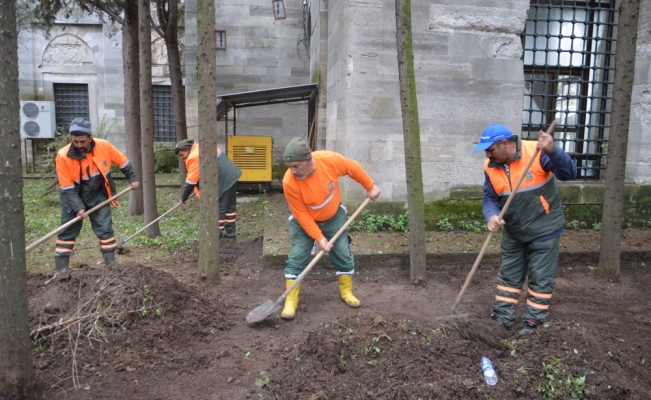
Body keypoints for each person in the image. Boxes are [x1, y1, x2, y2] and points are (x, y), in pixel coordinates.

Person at [474, 123, 576, 334]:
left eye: (490, 149)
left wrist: (552, 150)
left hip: (544, 230)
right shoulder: (490, 166)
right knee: (508, 278)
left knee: (540, 279)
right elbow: (489, 198)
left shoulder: (537, 153)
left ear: (504, 144)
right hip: (513, 232)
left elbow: (569, 173)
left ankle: (533, 324)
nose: (487, 155)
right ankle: (502, 320)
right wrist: (491, 216)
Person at [280, 137, 381, 320]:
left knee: (342, 250)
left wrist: (370, 186)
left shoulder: (329, 160)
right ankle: (290, 301)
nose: (292, 171)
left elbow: (353, 168)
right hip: (304, 221)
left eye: (296, 166)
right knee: (298, 255)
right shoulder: (289, 182)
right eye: (290, 167)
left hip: (333, 216)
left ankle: (346, 292)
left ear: (309, 160)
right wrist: (320, 239)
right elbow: (301, 215)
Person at [54, 118, 140, 276]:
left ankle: (111, 268)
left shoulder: (104, 146)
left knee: (105, 230)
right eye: (75, 142)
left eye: (82, 141)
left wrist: (132, 179)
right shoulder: (63, 156)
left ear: (90, 137)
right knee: (66, 233)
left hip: (98, 195)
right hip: (72, 196)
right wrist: (79, 208)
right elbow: (67, 187)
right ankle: (60, 272)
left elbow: (123, 162)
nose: (79, 145)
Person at [175, 139, 242, 238]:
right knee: (229, 206)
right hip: (232, 175)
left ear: (186, 149)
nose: (181, 158)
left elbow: (191, 181)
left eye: (182, 154)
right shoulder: (200, 148)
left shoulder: (194, 156)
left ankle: (217, 235)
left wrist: (183, 198)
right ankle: (230, 231)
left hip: (224, 179)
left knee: (220, 206)